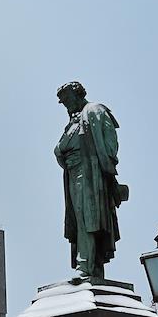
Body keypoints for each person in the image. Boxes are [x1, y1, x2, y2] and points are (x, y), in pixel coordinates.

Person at [54, 81, 128, 280]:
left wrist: (106, 169)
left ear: (76, 94)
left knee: (88, 217)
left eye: (66, 100)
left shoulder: (94, 111)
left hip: (89, 173)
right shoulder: (73, 121)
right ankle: (91, 266)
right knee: (79, 218)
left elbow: (110, 143)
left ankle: (85, 265)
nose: (65, 105)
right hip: (73, 172)